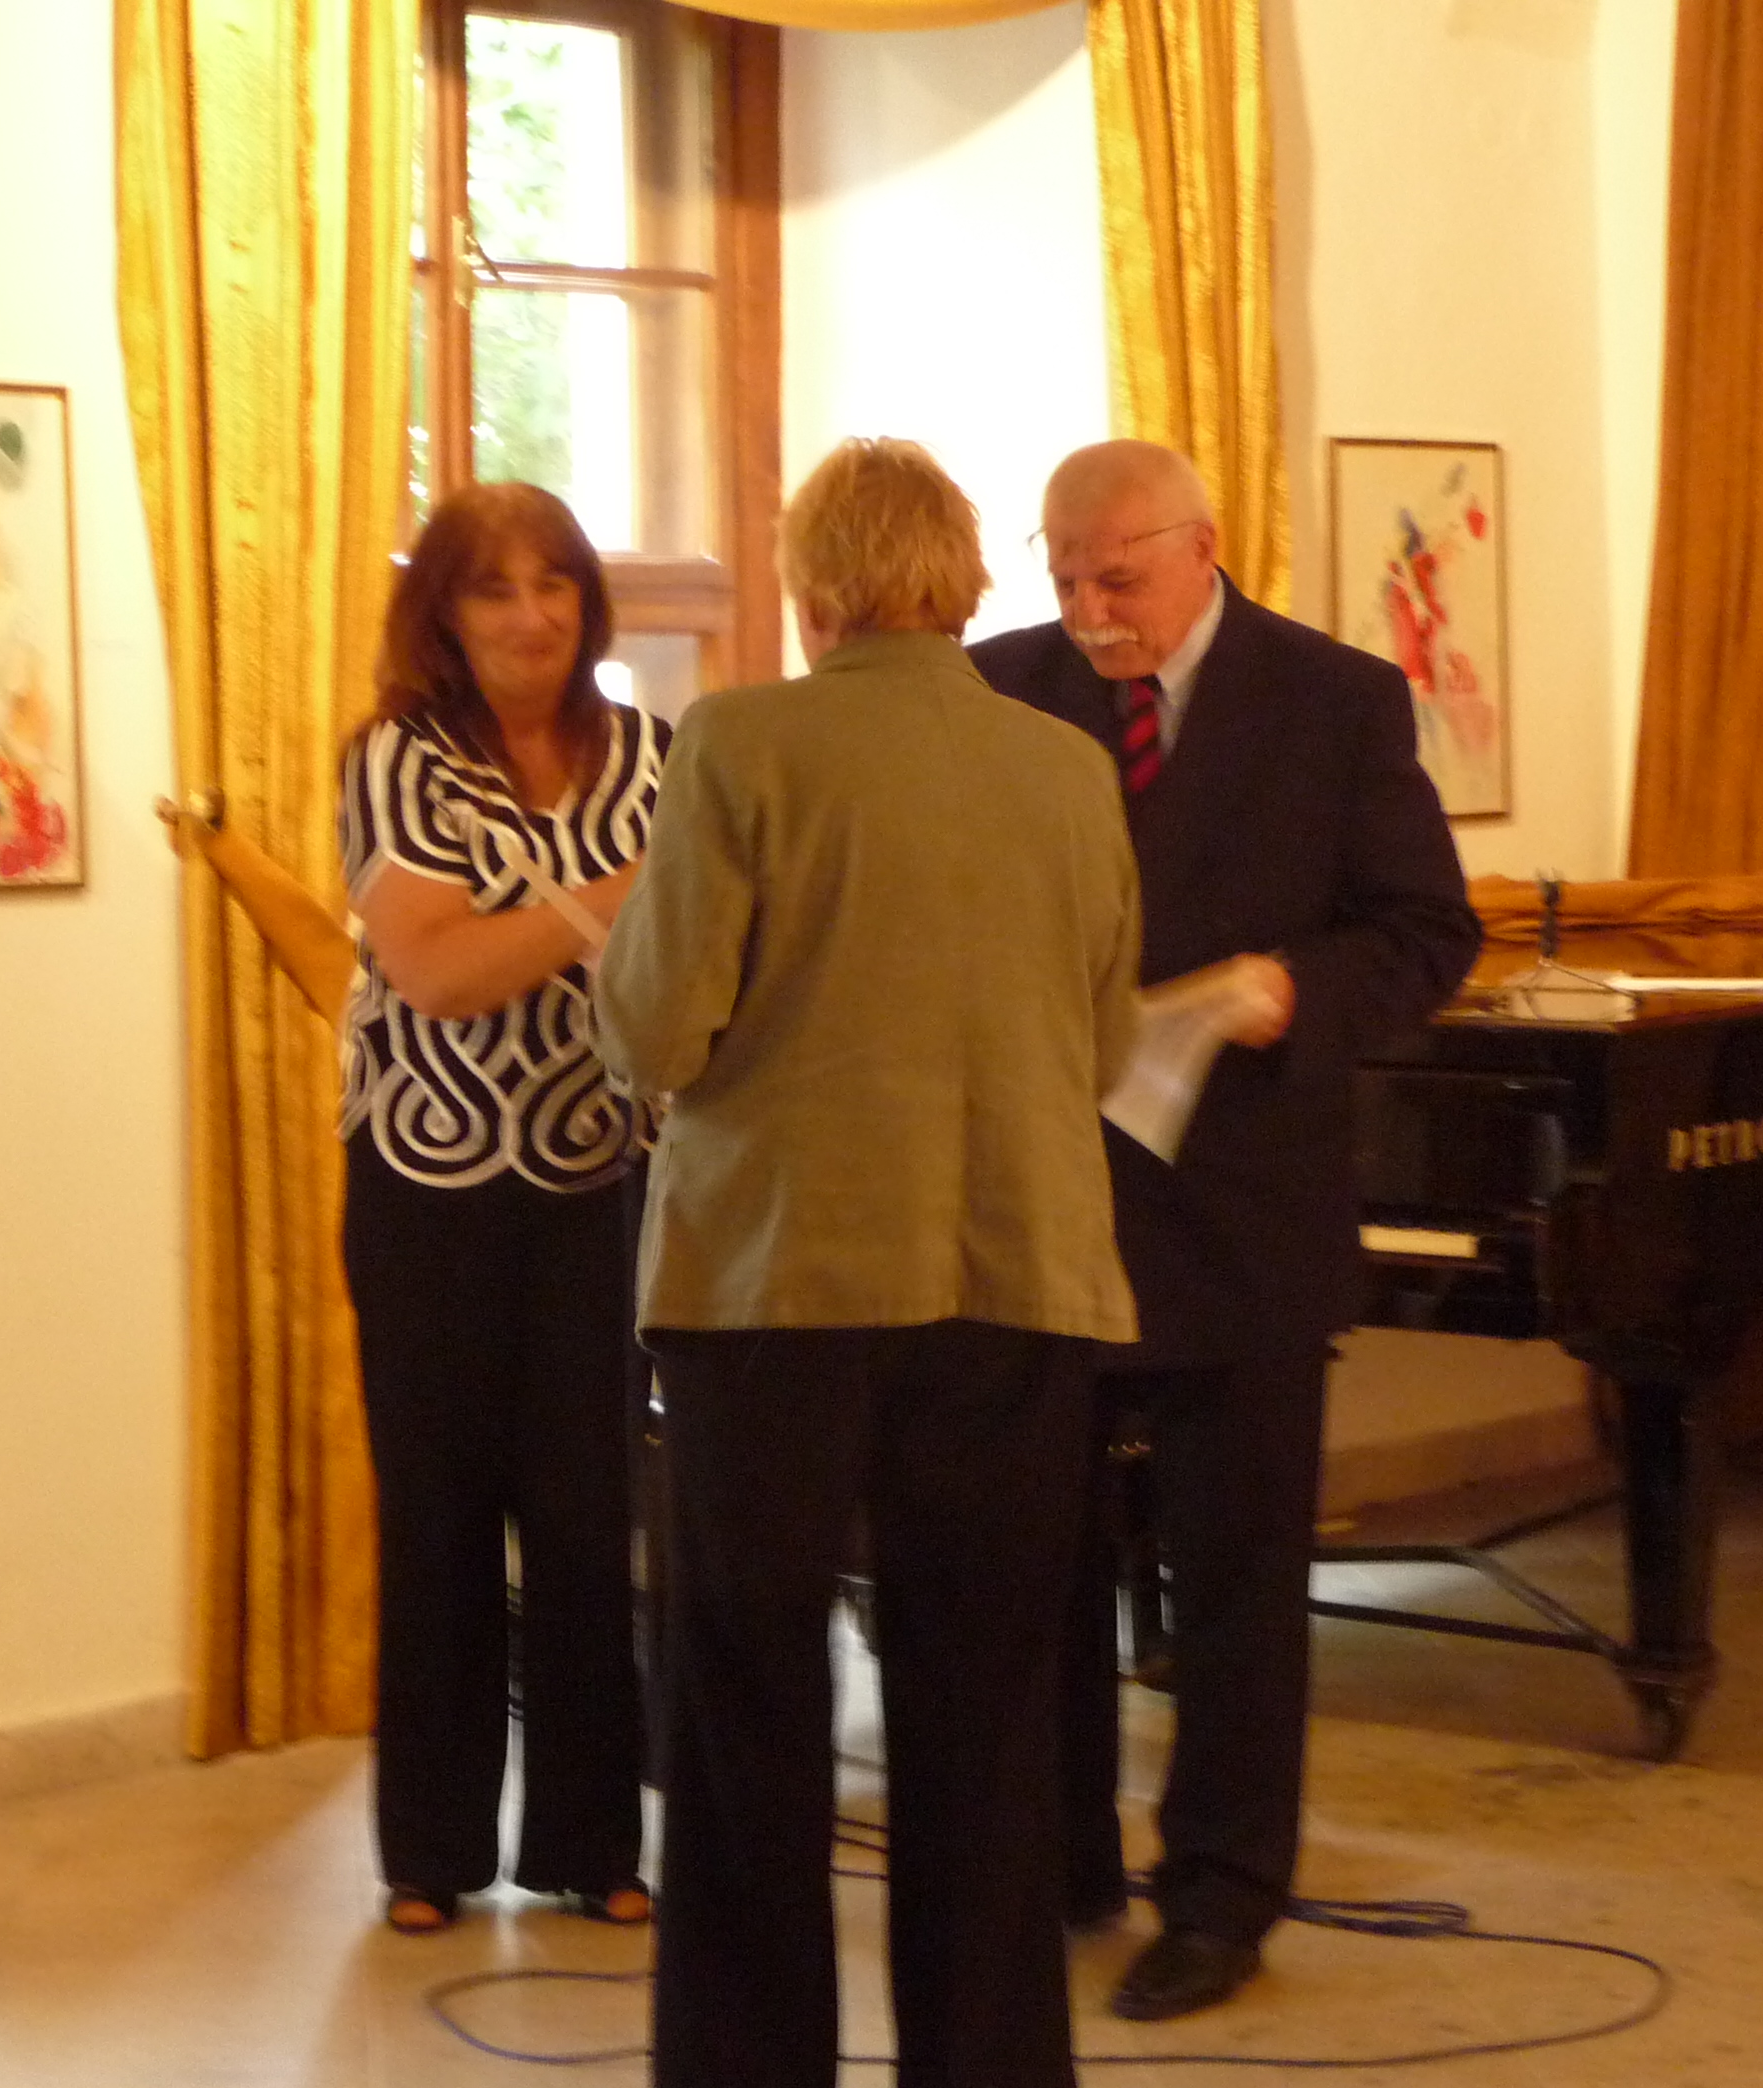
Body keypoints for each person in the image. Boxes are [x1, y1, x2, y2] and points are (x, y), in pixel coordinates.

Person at [593, 437, 1143, 2088]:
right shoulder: (1069, 769)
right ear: (964, 579)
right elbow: (1107, 1042)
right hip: (1019, 1275)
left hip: (781, 1286)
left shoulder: (741, 743)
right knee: (985, 1715)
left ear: (812, 586)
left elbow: (657, 1029)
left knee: (749, 1701)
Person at [968, 440, 1480, 2022]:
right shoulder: (996, 690)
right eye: (1063, 574)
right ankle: (1053, 1860)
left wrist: (1294, 990)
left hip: (1241, 1202)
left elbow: (1427, 931)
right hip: (1042, 1202)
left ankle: (1221, 1895)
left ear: (1200, 547)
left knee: (1239, 1585)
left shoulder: (1333, 700)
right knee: (1029, 1566)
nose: (1088, 608)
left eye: (1116, 576)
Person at [334, 482, 661, 1933]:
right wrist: (613, 899)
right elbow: (438, 972)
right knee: (441, 1519)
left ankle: (596, 1844)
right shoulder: (395, 760)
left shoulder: (656, 752)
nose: (532, 616)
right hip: (428, 1187)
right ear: (445, 617)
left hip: (601, 1182)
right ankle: (430, 1852)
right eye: (493, 589)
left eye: (554, 583)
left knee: (591, 1522)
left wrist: (551, 922)